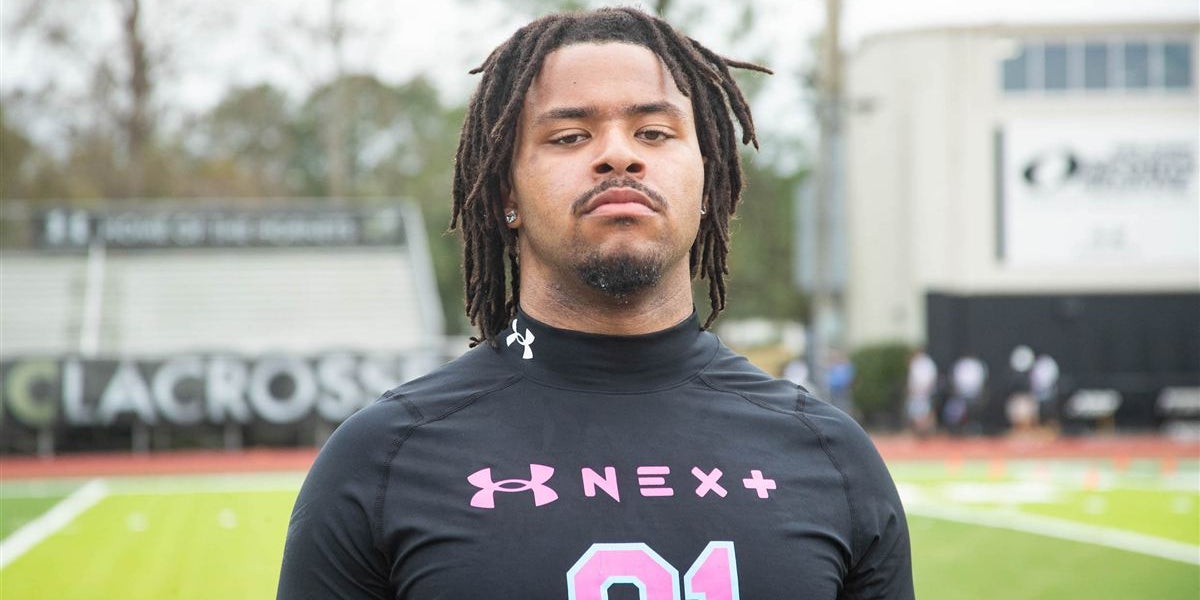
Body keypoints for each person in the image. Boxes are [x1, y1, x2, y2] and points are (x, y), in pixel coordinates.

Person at [276, 8, 912, 599]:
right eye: (569, 136)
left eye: (654, 132)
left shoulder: (828, 456)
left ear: (707, 181)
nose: (618, 155)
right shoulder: (384, 461)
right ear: (506, 194)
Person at [905, 348, 937, 438]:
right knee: (915, 414)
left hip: (924, 393)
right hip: (915, 393)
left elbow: (930, 379)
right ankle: (918, 432)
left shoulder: (927, 363)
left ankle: (927, 432)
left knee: (925, 413)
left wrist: (925, 390)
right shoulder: (915, 363)